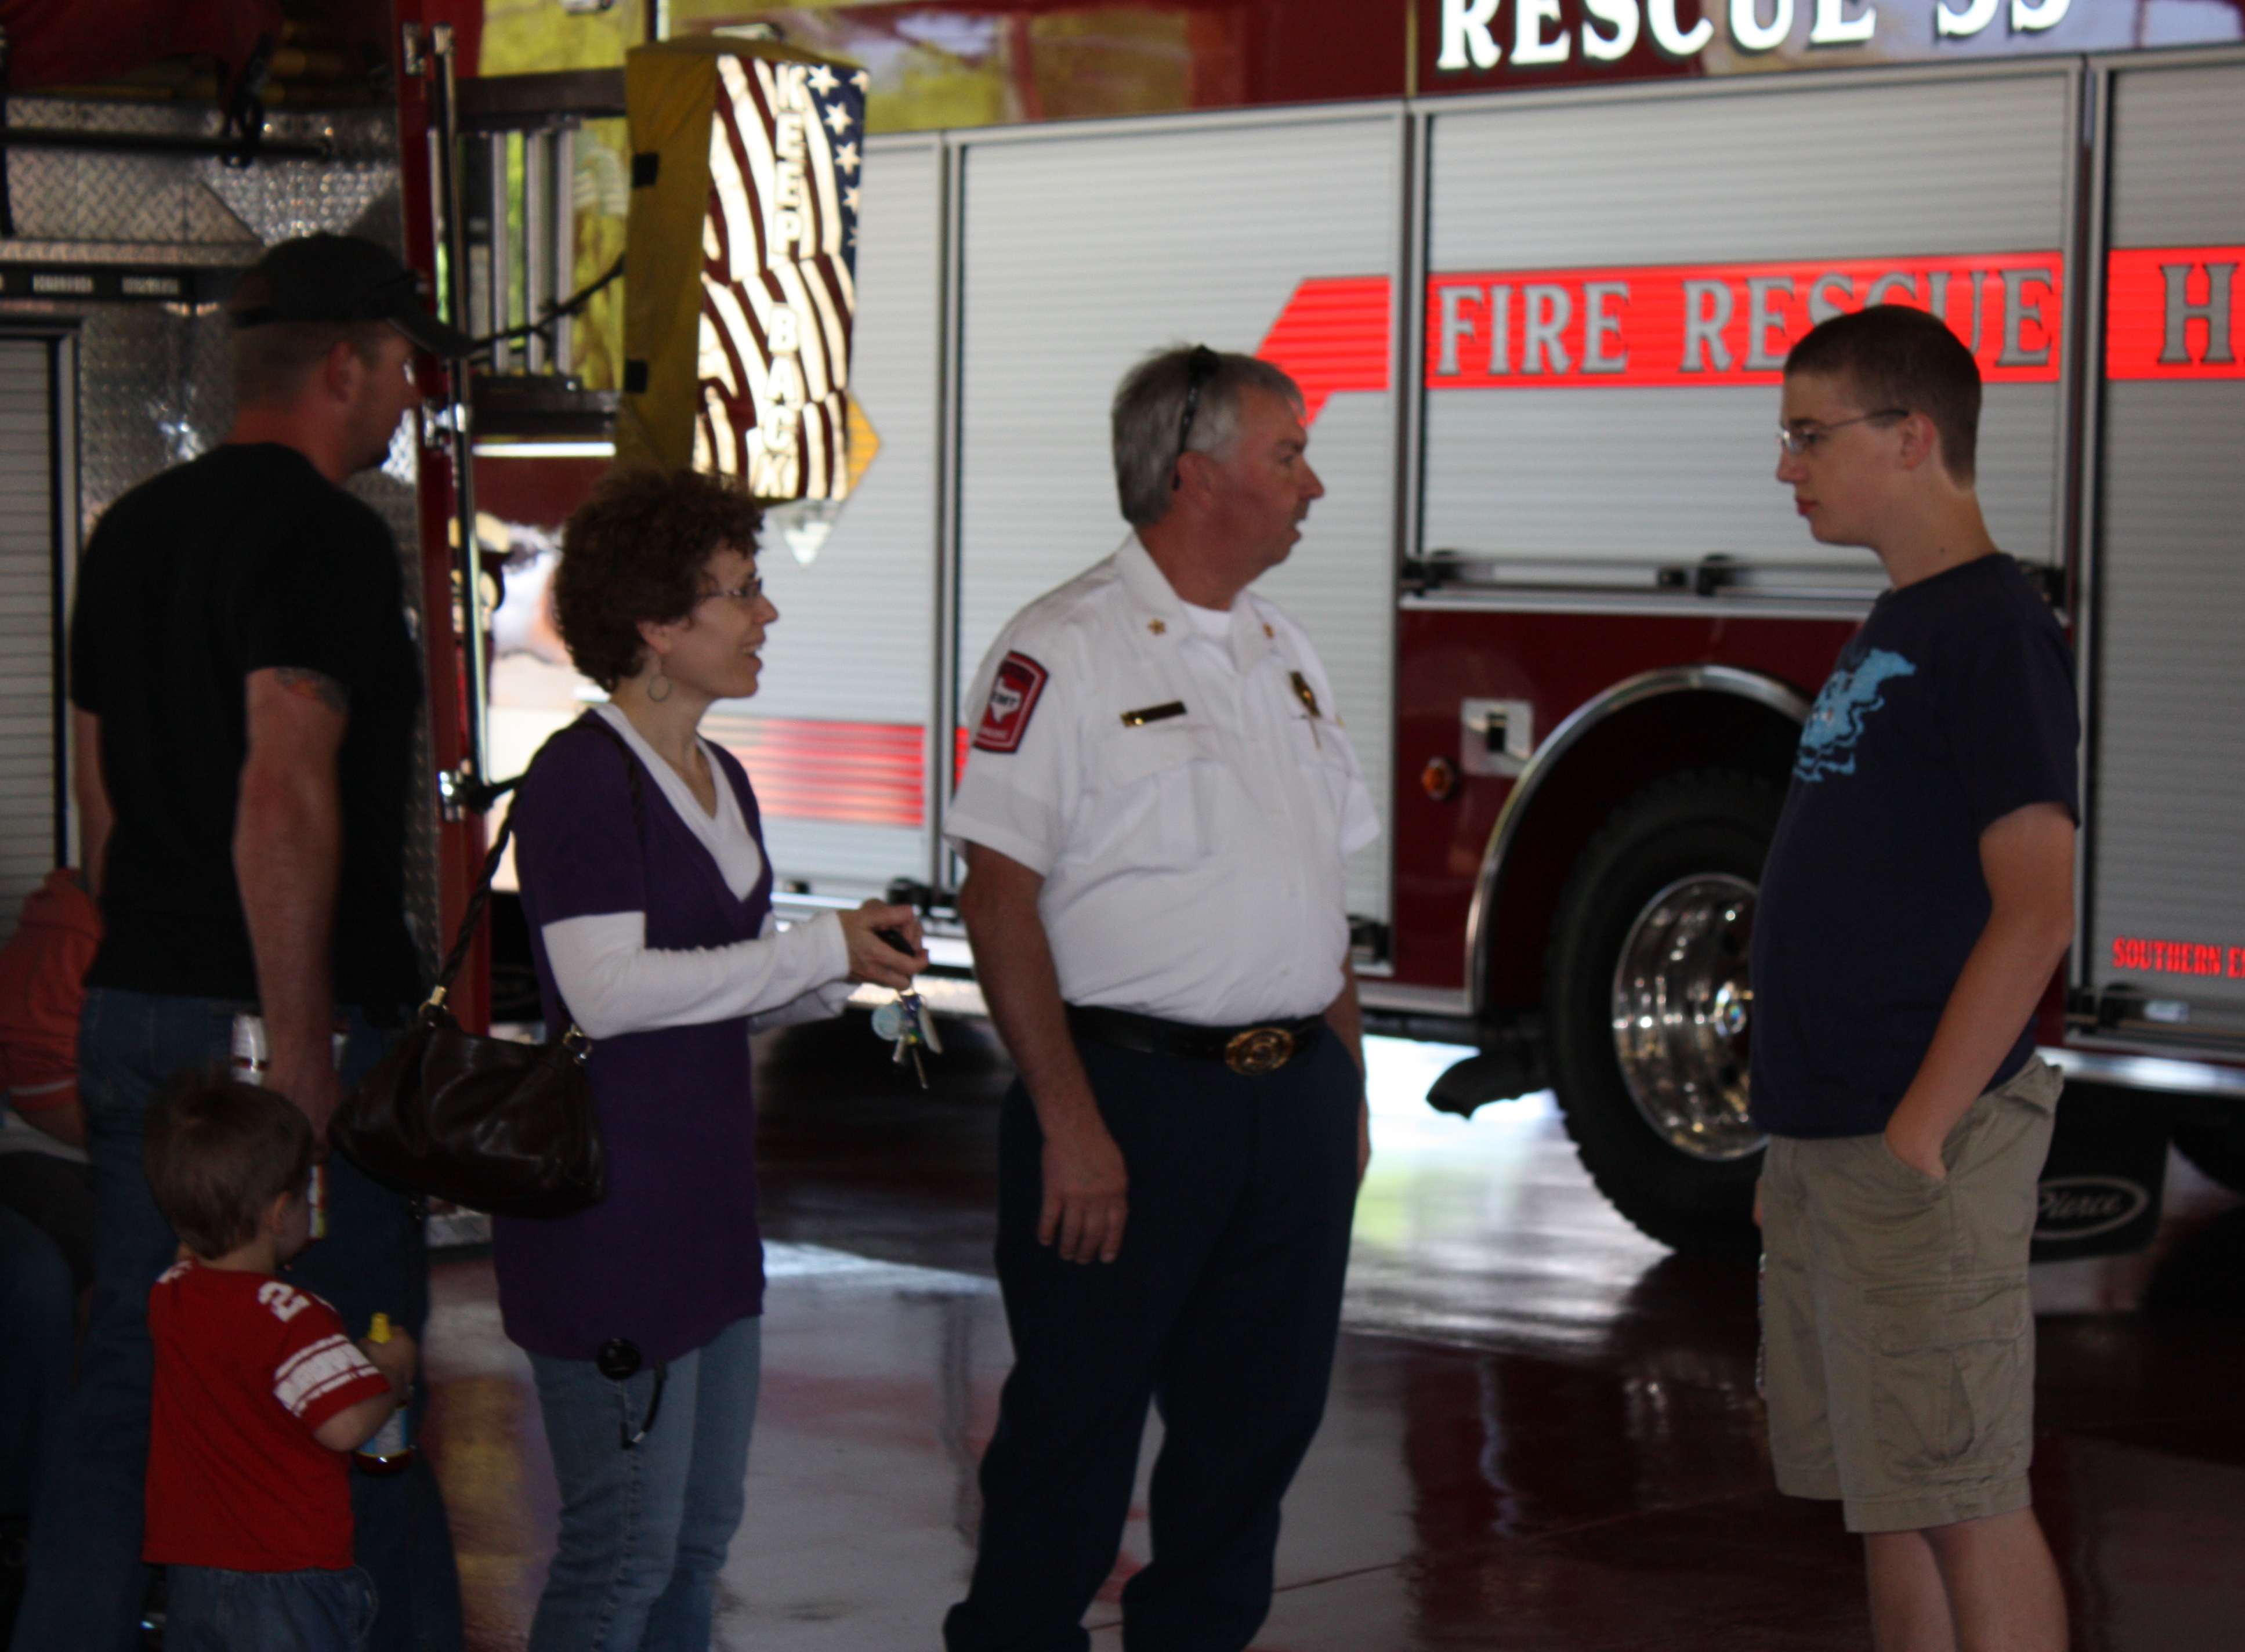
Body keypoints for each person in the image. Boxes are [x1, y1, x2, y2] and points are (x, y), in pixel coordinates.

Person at [22, 233, 469, 1652]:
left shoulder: (132, 529)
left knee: (129, 1376)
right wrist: (299, 1047)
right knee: (357, 1370)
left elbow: (101, 803)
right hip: (266, 1035)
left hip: (137, 1005)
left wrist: (164, 962)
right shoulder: (326, 535)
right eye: (400, 366)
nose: (407, 398)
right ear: (343, 365)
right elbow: (284, 786)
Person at [940, 345, 1378, 1652]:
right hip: (1130, 1100)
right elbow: (998, 900)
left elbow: (1316, 896)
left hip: (1289, 1100)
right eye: (1287, 454)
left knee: (1255, 1435)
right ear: (1197, 478)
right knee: (1072, 1438)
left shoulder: (1286, 652)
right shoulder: (1062, 648)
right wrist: (1071, 1123)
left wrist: (1344, 1091)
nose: (1314, 483)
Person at [502, 465, 927, 1652]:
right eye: (739, 592)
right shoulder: (583, 778)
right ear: (653, 625)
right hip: (608, 1216)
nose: (766, 615)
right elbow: (606, 992)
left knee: (696, 1539)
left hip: (702, 1209)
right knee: (623, 1551)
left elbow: (708, 1001)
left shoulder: (721, 776)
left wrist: (836, 970)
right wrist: (806, 947)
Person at [1752, 304, 2077, 1652]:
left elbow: (2036, 902)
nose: (1786, 468)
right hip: (1834, 1136)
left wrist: (1917, 1126)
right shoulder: (1899, 618)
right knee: (1889, 1498)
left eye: (1807, 434)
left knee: (1959, 1491)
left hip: (1909, 1144)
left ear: (1911, 435)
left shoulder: (1987, 629)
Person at [142, 1079, 414, 1652]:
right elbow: (343, 1425)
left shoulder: (171, 1295)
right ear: (281, 1212)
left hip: (193, 1568)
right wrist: (389, 1373)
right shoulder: (297, 1316)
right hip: (292, 1575)